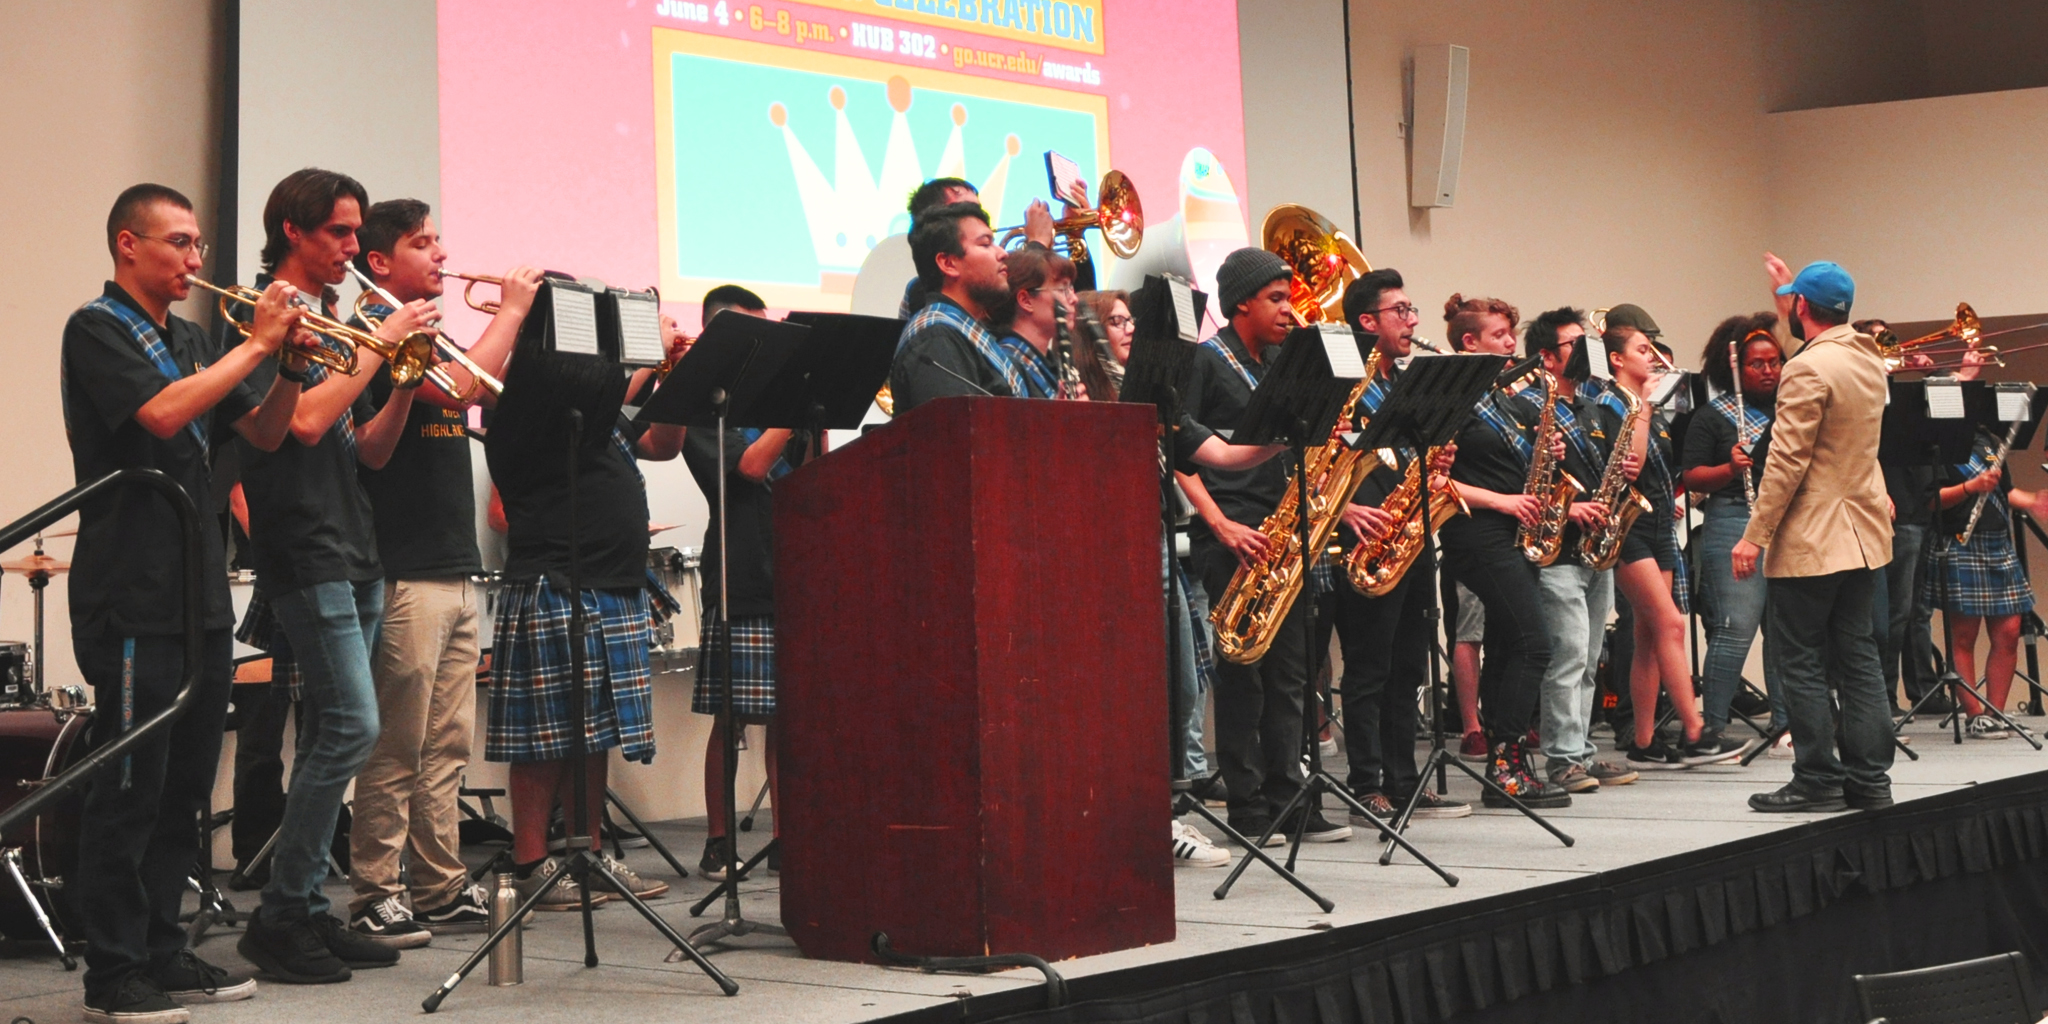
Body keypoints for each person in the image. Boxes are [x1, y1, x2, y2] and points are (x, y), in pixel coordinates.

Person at [63, 183, 306, 1023]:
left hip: (200, 590)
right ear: (128, 245)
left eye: (199, 244)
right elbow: (164, 415)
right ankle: (113, 973)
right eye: (179, 243)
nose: (196, 259)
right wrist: (258, 343)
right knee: (131, 786)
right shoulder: (96, 328)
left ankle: (163, 950)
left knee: (186, 788)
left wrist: (288, 367)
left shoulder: (195, 338)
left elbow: (267, 433)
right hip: (132, 592)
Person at [234, 168, 441, 984]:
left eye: (358, 233)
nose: (354, 248)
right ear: (293, 229)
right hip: (304, 546)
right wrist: (381, 344)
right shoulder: (264, 315)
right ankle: (283, 914)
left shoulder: (330, 319)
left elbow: (369, 451)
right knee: (354, 727)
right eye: (339, 233)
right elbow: (308, 424)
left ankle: (309, 909)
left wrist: (404, 380)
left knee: (333, 732)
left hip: (354, 541)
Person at [343, 198, 543, 946]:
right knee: (397, 744)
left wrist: (519, 331)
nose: (441, 254)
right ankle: (375, 890)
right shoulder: (373, 326)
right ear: (379, 262)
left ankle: (438, 885)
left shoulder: (434, 331)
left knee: (448, 745)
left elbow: (481, 388)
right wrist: (512, 313)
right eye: (422, 243)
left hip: (454, 564)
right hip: (404, 565)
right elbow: (457, 388)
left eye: (438, 240)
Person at [483, 311, 688, 907]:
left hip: (610, 581)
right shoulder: (532, 401)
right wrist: (646, 351)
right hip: (555, 581)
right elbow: (598, 401)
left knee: (592, 733)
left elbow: (665, 444)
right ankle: (531, 864)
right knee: (543, 735)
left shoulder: (599, 412)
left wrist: (674, 374)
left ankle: (587, 854)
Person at [1180, 247, 1351, 843]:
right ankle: (1247, 804)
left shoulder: (1282, 362)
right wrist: (1219, 524)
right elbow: (1177, 453)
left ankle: (1290, 796)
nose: (1288, 309)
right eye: (1276, 299)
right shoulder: (1205, 361)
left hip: (1284, 533)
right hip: (1235, 534)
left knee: (1291, 675)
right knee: (1243, 673)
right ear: (1241, 304)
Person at [1734, 256, 1896, 813]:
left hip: (1813, 538)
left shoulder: (1805, 369)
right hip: (1863, 534)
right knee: (1859, 658)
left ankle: (1817, 777)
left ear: (1802, 305)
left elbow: (1786, 461)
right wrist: (1786, 298)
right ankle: (1870, 780)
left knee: (1799, 660)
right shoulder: (1868, 357)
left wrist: (1754, 535)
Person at [1331, 269, 1472, 821]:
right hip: (1364, 541)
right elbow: (1321, 465)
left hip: (1409, 537)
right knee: (1369, 669)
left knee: (1409, 665)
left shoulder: (1401, 385)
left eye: (1412, 311)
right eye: (1401, 311)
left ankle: (1404, 779)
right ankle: (1365, 784)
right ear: (1368, 322)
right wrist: (1344, 509)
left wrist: (1434, 467)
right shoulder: (1344, 384)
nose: (1413, 321)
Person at [1434, 294, 1572, 807]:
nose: (1513, 343)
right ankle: (1507, 764)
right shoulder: (1451, 396)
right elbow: (1433, 479)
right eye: (1500, 335)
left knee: (1509, 644)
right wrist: (1504, 501)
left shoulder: (1504, 397)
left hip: (1513, 532)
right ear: (1469, 342)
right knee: (1536, 643)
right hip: (1478, 534)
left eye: (1511, 333)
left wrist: (1546, 452)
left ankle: (1504, 763)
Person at [1591, 326, 1751, 769]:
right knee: (1671, 625)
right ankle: (1696, 732)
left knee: (1648, 637)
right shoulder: (1610, 404)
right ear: (1617, 359)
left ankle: (1644, 742)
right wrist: (1644, 404)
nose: (1653, 357)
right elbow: (1633, 465)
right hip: (1629, 528)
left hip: (1660, 525)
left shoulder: (1651, 409)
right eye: (1643, 350)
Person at [679, 285, 797, 879]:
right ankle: (719, 841)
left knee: (789, 720)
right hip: (741, 569)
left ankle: (787, 838)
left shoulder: (773, 400)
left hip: (795, 568)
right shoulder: (707, 403)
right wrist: (793, 411)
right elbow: (749, 467)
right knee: (732, 718)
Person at [1523, 307, 1638, 793]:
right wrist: (1568, 508)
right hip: (1556, 550)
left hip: (1596, 550)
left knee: (1589, 660)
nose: (1588, 352)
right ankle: (1562, 759)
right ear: (1547, 357)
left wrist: (1625, 475)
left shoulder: (1592, 408)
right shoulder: (1530, 406)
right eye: (1575, 344)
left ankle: (1582, 751)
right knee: (1567, 657)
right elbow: (1523, 479)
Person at [1681, 317, 1789, 747]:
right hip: (1733, 517)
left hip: (1785, 521)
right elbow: (1692, 477)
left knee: (1783, 629)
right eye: (1756, 364)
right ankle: (1711, 728)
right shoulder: (1712, 416)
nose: (1768, 370)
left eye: (1774, 362)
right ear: (1736, 369)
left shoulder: (1791, 408)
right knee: (1736, 626)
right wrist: (1729, 467)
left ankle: (1787, 725)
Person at [1923, 421, 2048, 737]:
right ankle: (1975, 715)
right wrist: (1971, 487)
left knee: (2009, 630)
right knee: (1964, 635)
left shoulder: (1988, 439)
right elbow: (1930, 501)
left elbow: (2005, 491)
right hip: (1960, 542)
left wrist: (2033, 501)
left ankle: (1995, 713)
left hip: (1998, 543)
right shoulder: (1936, 441)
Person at [899, 178, 1051, 317]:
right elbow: (1012, 306)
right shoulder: (921, 292)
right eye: (968, 209)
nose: (978, 216)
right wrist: (1037, 243)